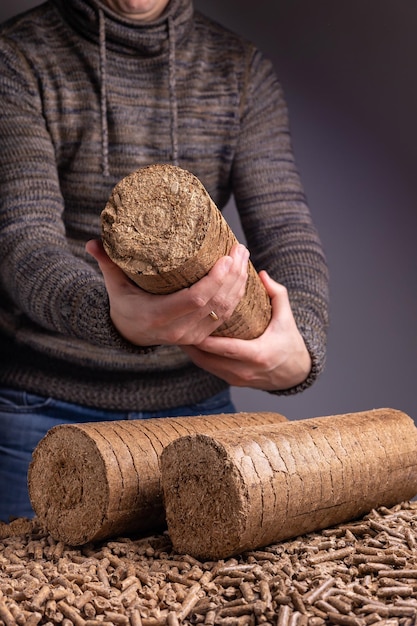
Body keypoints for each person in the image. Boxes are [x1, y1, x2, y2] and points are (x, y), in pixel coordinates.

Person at [0, 0, 329, 521]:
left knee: (211, 601)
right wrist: (109, 316)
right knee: (34, 600)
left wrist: (299, 348)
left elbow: (286, 228)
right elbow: (22, 241)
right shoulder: (16, 57)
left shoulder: (238, 70)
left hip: (198, 414)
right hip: (42, 414)